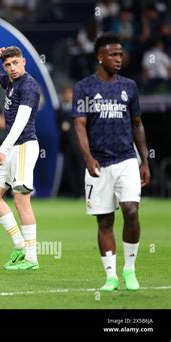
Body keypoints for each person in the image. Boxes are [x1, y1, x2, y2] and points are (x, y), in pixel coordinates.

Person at [72, 33, 150, 291]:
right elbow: (80, 126)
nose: (119, 59)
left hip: (127, 159)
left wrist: (144, 161)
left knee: (131, 211)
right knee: (104, 221)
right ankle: (111, 276)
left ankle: (129, 269)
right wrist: (88, 158)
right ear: (100, 57)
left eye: (121, 54)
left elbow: (137, 124)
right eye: (113, 55)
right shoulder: (84, 87)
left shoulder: (129, 86)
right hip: (98, 164)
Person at [0, 46, 40, 271]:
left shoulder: (29, 87)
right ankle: (19, 246)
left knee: (21, 200)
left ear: (23, 62)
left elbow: (21, 123)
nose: (12, 68)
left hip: (23, 146)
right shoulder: (10, 82)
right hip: (11, 147)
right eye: (7, 65)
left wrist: (2, 150)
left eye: (15, 63)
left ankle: (32, 259)